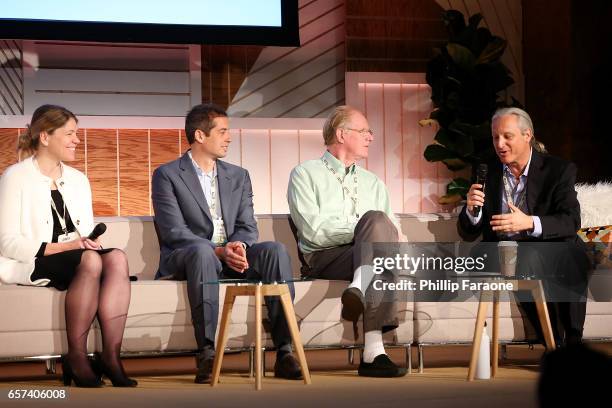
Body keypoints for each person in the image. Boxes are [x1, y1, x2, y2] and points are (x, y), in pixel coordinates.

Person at [152, 103, 302, 384]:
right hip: (189, 255)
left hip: (230, 252)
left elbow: (247, 226)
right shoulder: (168, 175)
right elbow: (174, 231)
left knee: (274, 251)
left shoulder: (238, 176)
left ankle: (285, 351)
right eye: (222, 132)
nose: (229, 138)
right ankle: (207, 352)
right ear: (199, 135)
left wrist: (240, 247)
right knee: (201, 252)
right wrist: (218, 251)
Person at [0, 105, 136, 387]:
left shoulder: (78, 180)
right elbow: (8, 243)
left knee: (117, 258)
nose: (77, 140)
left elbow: (83, 232)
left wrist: (88, 240)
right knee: (90, 261)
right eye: (70, 133)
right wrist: (68, 248)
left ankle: (110, 356)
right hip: (34, 260)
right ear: (45, 137)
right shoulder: (15, 177)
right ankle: (76, 357)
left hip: (77, 256)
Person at [287, 105, 407, 377]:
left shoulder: (374, 183)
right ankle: (373, 351)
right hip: (325, 258)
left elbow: (393, 231)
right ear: (341, 134)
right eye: (364, 131)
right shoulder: (305, 174)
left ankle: (360, 287)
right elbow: (313, 232)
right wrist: (363, 229)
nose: (371, 137)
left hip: (367, 255)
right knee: (375, 225)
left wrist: (380, 234)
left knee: (379, 237)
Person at [458, 107, 590, 346]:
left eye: (507, 136)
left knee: (572, 250)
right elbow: (468, 232)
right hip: (502, 250)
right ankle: (551, 342)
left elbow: (571, 220)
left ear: (527, 135)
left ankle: (572, 341)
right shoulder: (485, 170)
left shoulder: (558, 170)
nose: (500, 144)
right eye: (496, 137)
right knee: (523, 259)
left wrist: (529, 222)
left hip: (545, 245)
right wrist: (471, 210)